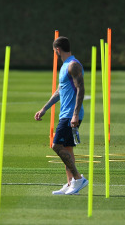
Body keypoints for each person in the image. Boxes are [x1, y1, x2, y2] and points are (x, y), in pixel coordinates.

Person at [34, 36, 88, 195]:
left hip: (71, 115)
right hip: (65, 113)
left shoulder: (73, 65)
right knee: (68, 149)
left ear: (57, 50)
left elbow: (81, 89)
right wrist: (44, 109)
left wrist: (75, 115)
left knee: (56, 146)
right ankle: (71, 183)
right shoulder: (65, 66)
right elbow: (60, 91)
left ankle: (78, 178)